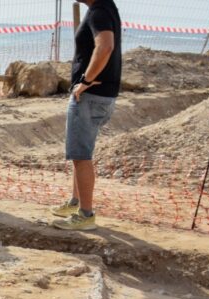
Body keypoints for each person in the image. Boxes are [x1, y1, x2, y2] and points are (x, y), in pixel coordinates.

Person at [53, 0, 122, 231]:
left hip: (90, 96)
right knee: (80, 153)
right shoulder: (104, 8)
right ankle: (75, 203)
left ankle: (86, 214)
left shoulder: (99, 12)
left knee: (81, 155)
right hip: (101, 95)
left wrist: (85, 81)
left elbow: (105, 47)